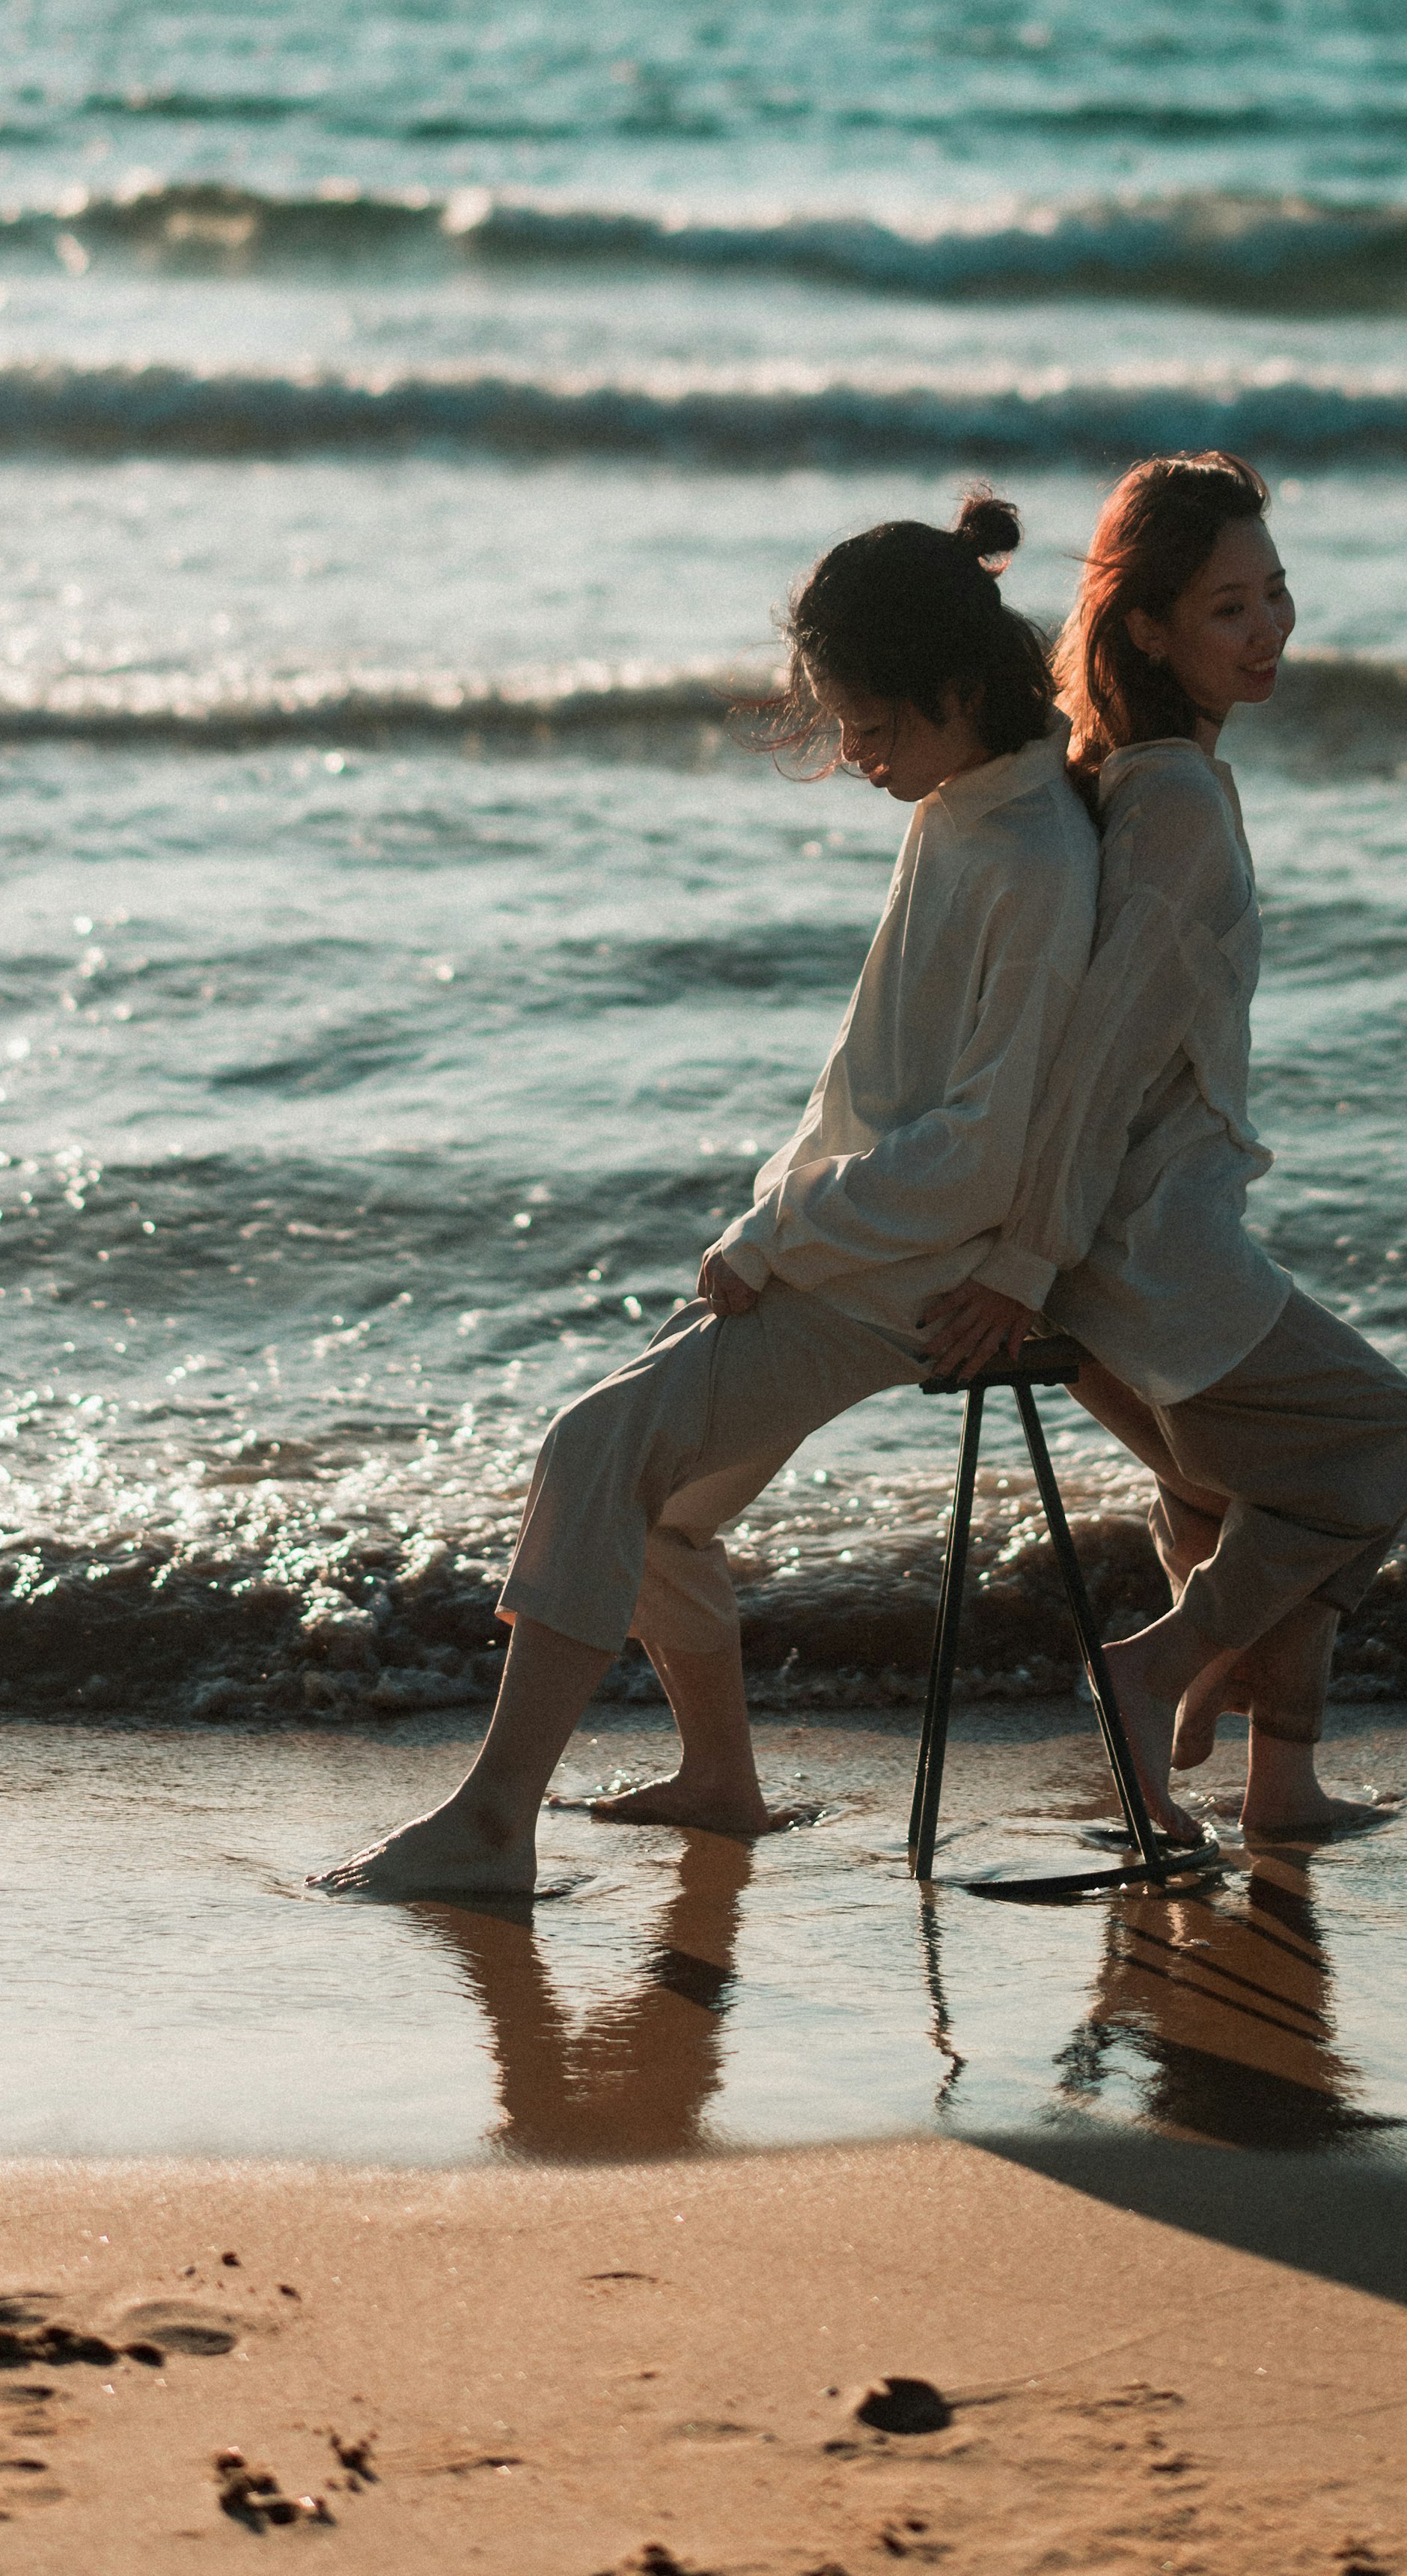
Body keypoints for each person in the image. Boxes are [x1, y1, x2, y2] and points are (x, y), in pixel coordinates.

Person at [319, 491, 1096, 1902]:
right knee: (661, 1506)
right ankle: (722, 1782)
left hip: (905, 1276)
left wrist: (780, 1232)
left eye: (873, 729)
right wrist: (776, 1218)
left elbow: (979, 1153)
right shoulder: (969, 805)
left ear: (960, 689)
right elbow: (885, 1080)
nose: (856, 759)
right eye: (845, 728)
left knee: (593, 1452)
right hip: (848, 1243)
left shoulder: (1031, 857)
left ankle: (497, 1818)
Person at [920, 452, 1407, 1848]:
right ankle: (1158, 1670)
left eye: (1276, 593)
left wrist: (1035, 1256)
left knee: (1237, 1493)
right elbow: (1094, 1067)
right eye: (1227, 609)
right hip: (1145, 1256)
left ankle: (1278, 1786)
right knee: (1385, 1441)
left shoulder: (1127, 780)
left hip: (1103, 1261)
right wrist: (1027, 1263)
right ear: (1147, 627)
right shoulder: (1176, 810)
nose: (1268, 631)